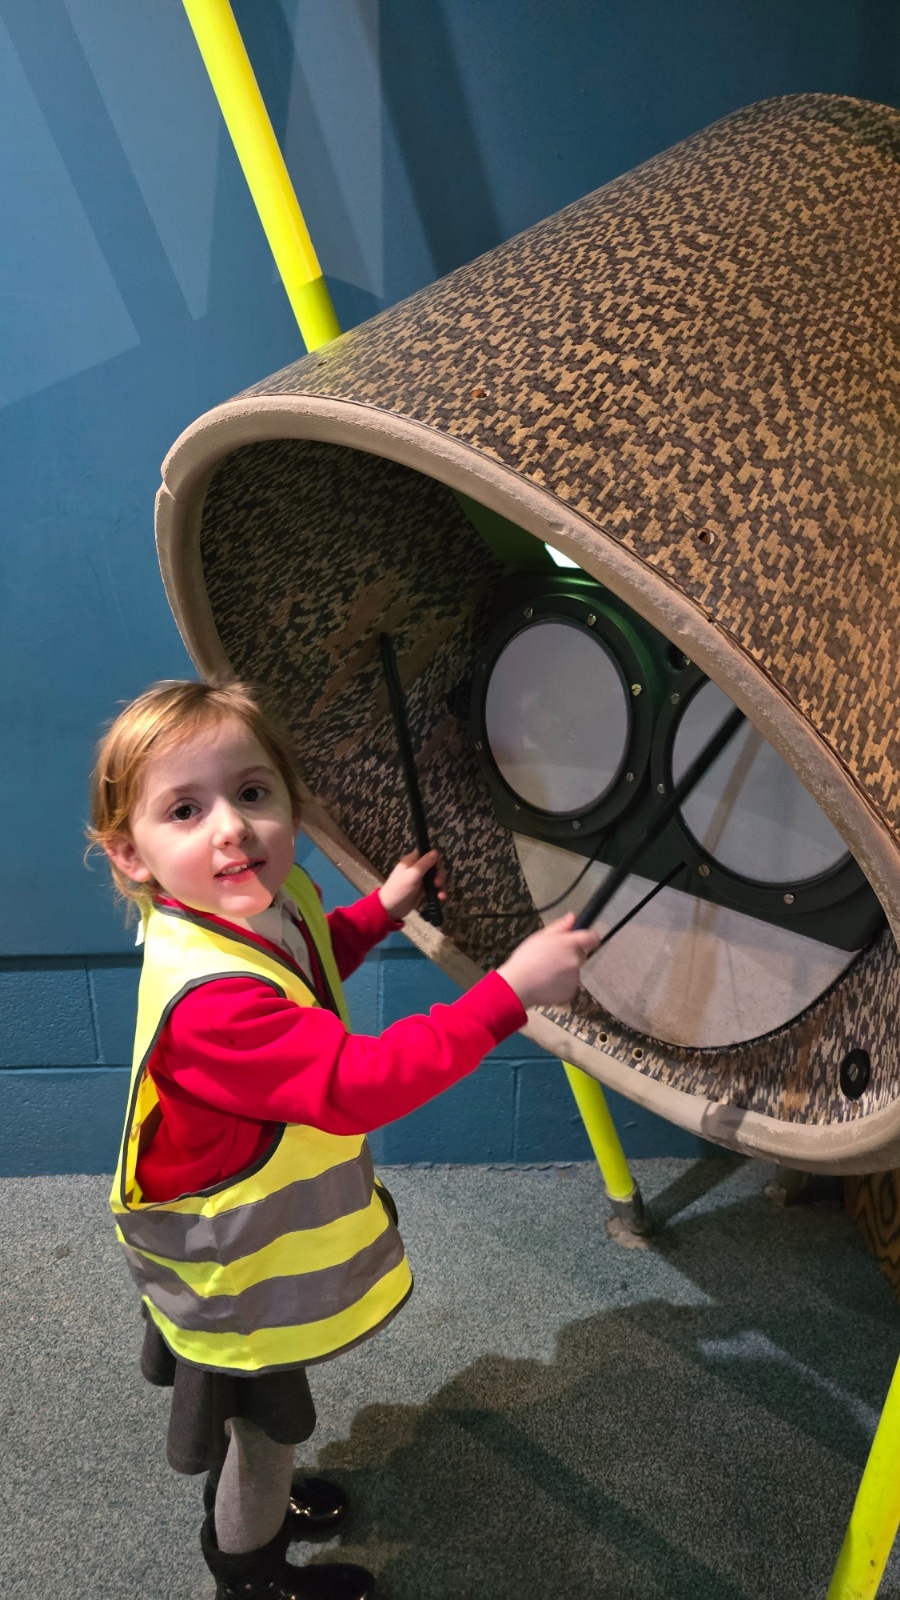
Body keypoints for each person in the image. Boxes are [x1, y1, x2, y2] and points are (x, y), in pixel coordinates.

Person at [87, 678, 599, 1600]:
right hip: (234, 1274)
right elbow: (360, 1082)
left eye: (252, 792)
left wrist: (382, 909)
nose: (232, 829)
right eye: (185, 810)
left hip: (244, 1246)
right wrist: (509, 994)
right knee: (264, 1442)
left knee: (260, 1429)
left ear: (288, 801)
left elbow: (308, 959)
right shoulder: (214, 1006)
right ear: (131, 854)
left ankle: (256, 1518)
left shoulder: (250, 908)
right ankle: (248, 1571)